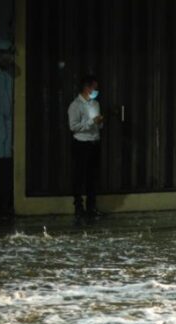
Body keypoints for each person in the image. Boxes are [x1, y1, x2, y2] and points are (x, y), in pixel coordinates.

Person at [68, 75, 104, 220]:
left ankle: (91, 207)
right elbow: (73, 126)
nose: (96, 90)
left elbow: (99, 125)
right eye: (94, 88)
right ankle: (78, 207)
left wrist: (100, 123)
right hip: (81, 144)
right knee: (79, 176)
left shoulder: (95, 104)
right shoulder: (75, 105)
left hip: (94, 142)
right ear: (87, 88)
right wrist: (90, 122)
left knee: (92, 177)